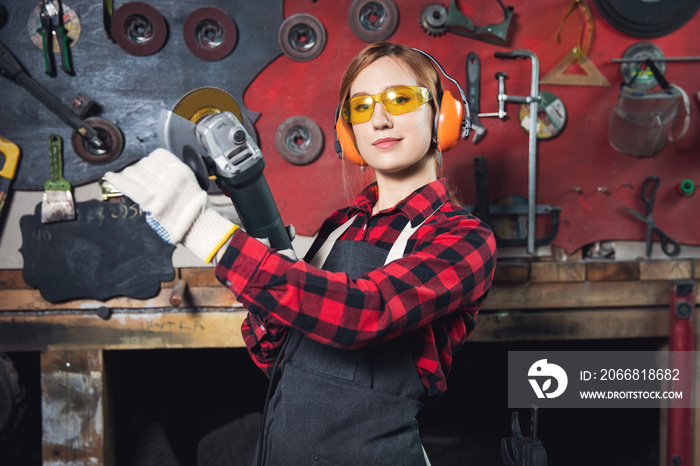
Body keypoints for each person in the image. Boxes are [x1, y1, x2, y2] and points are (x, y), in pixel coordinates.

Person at [106, 41, 496, 466]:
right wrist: (271, 270)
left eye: (400, 100)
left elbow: (368, 311)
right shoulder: (340, 227)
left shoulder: (464, 238)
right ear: (349, 132)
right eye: (361, 108)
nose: (380, 120)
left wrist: (207, 232)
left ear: (442, 117)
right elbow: (275, 356)